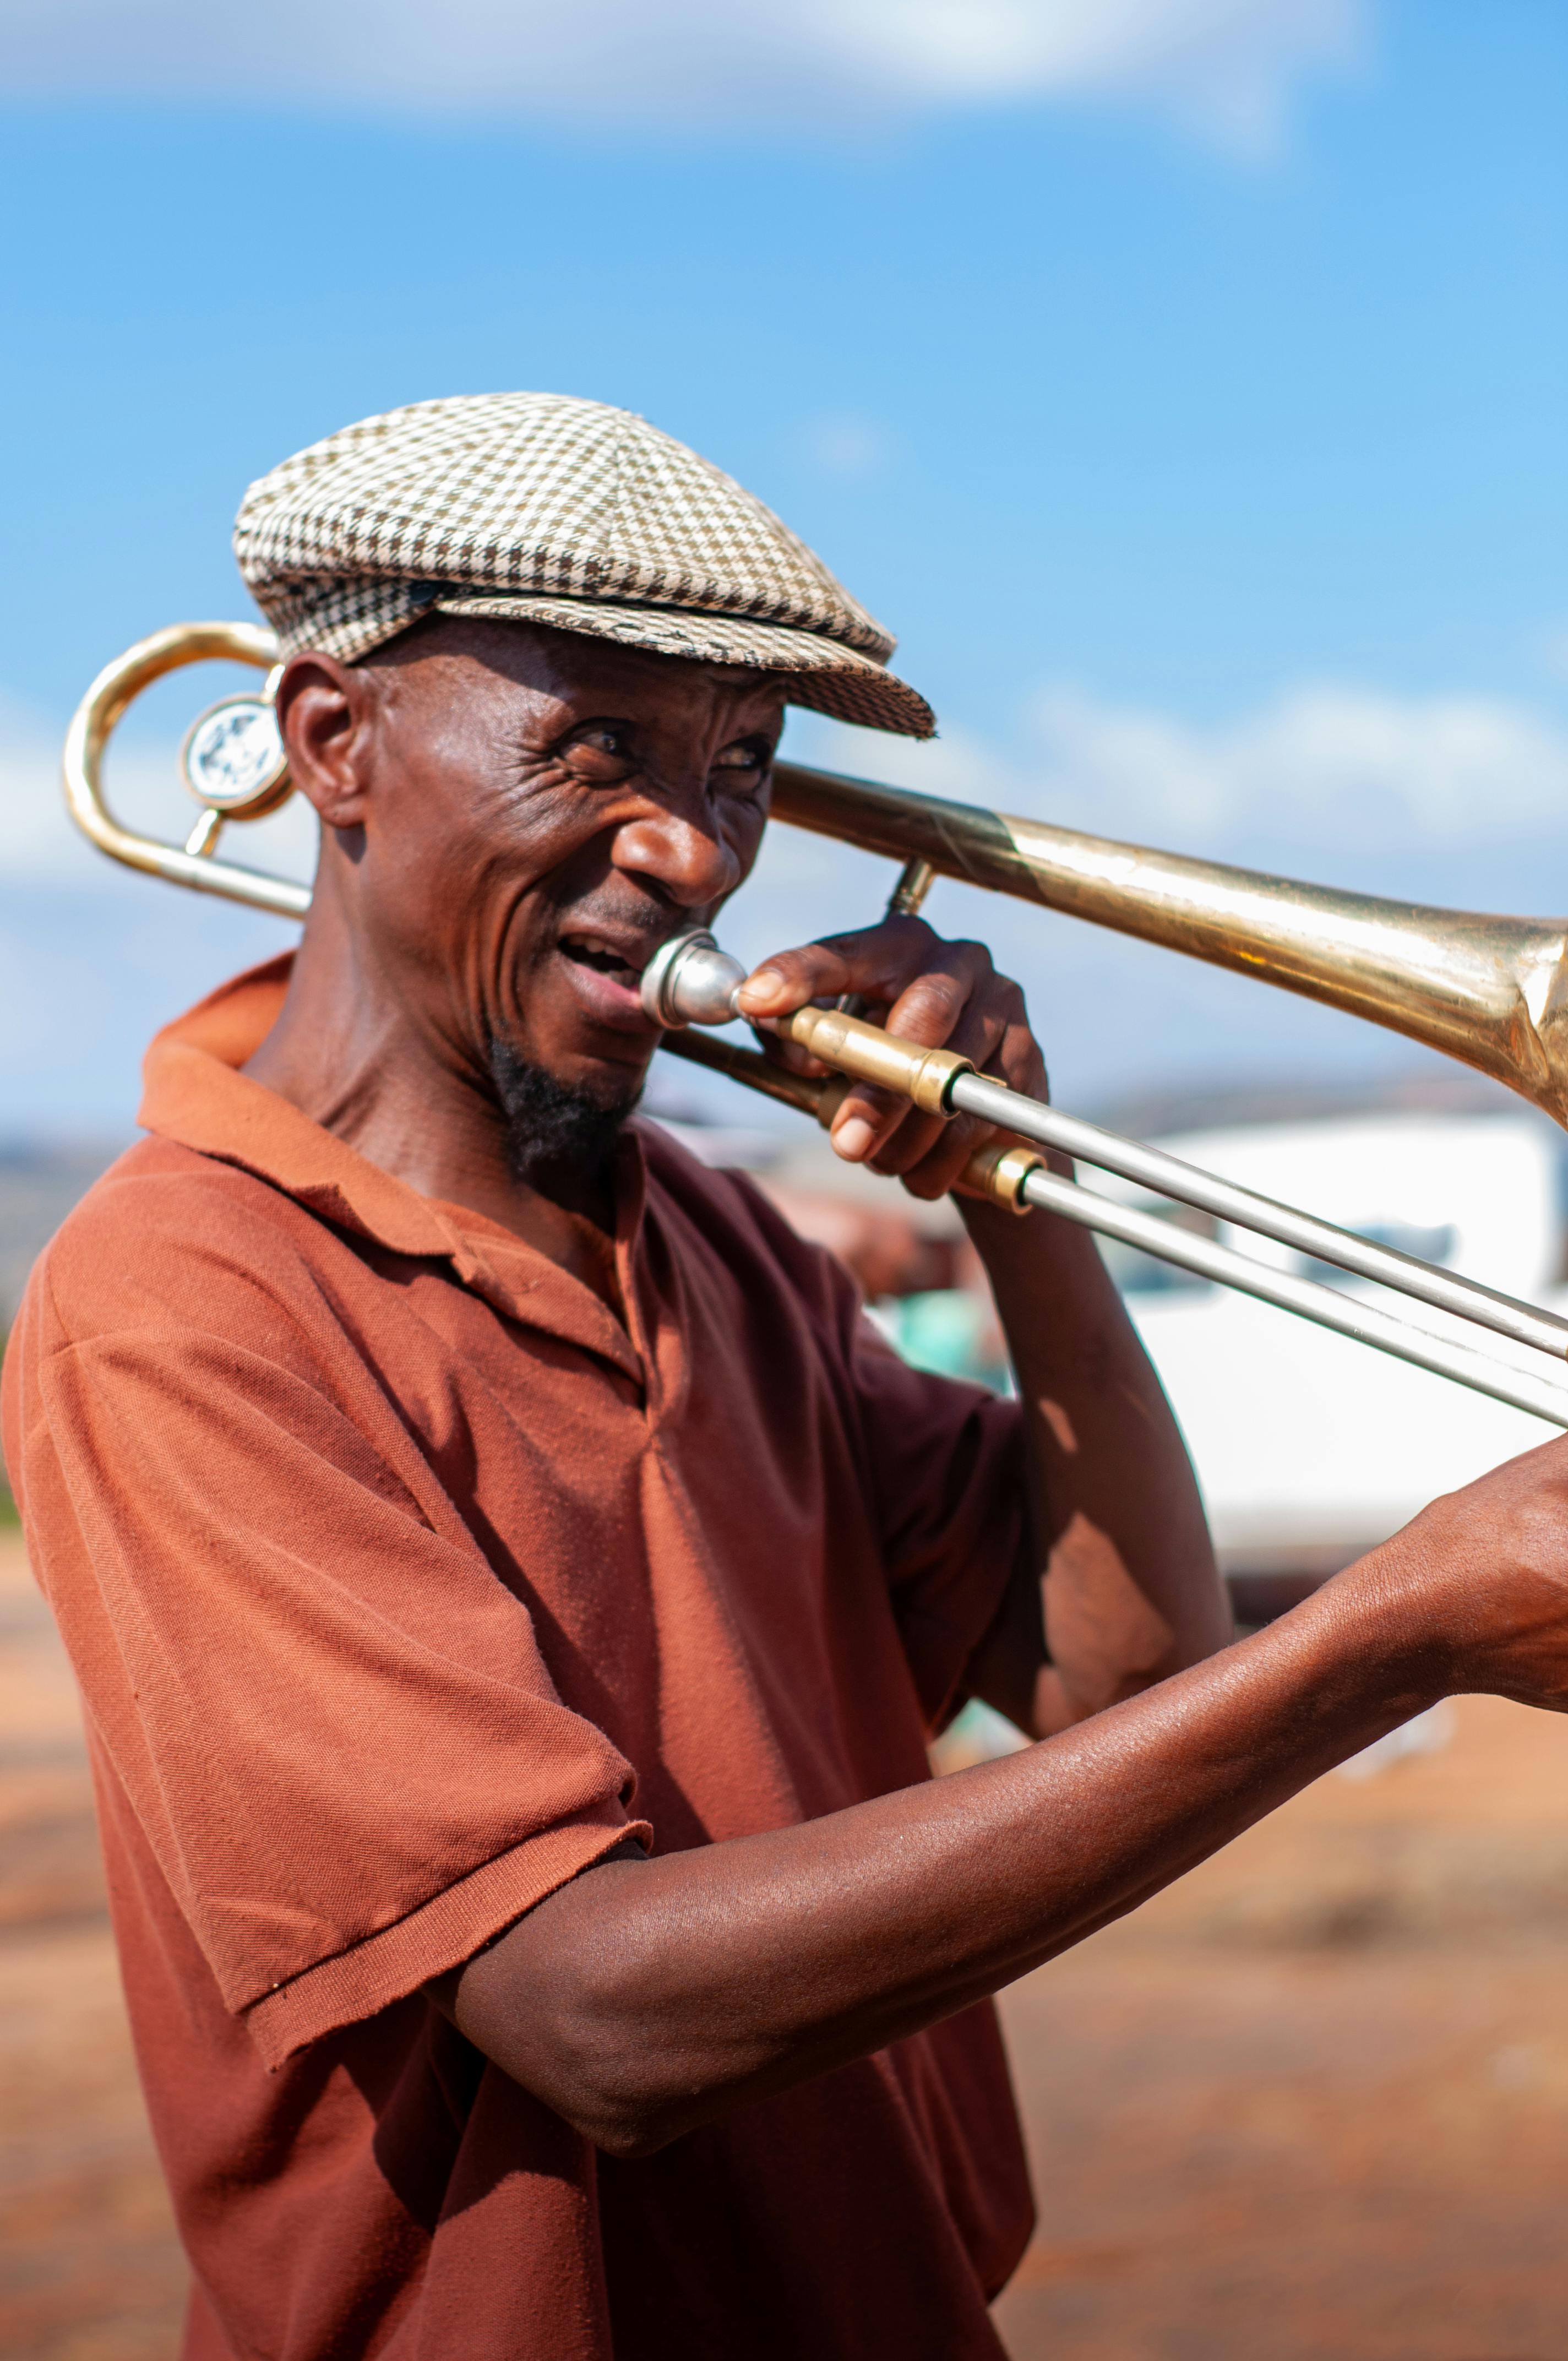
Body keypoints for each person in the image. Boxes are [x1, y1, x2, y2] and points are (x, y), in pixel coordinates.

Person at [4, 392, 1566, 2361]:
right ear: (335, 745)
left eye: (742, 768)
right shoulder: (181, 1298)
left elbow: (1126, 1676)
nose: (692, 851)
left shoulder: (718, 1243)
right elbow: (598, 2019)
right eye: (595, 750)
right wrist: (1390, 1632)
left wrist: (1014, 1175)